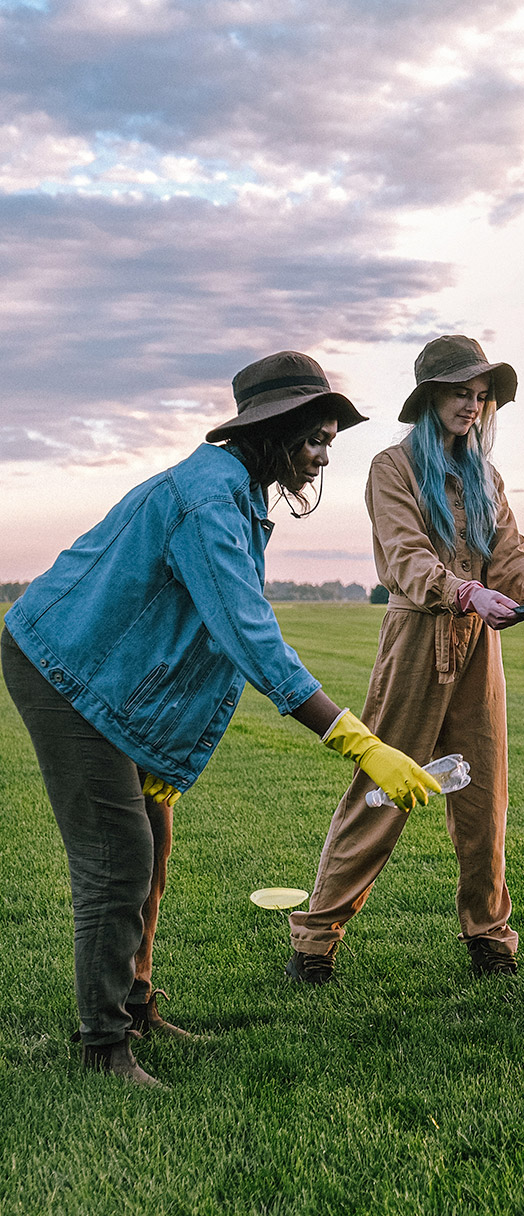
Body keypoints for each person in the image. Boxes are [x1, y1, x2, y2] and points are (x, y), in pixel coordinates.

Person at [1, 350, 439, 1086]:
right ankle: (103, 1047)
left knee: (153, 838)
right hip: (60, 665)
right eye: (314, 439)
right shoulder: (209, 501)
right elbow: (248, 637)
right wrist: (361, 744)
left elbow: (191, 642)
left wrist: (163, 755)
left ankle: (135, 1003)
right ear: (272, 430)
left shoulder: (238, 495)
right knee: (118, 859)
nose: (322, 456)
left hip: (106, 672)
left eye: (329, 441)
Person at [287, 335, 524, 982]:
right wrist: (465, 592)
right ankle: (315, 942)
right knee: (381, 791)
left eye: (481, 395)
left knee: (485, 799)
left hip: (478, 649)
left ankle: (490, 937)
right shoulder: (392, 468)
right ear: (430, 397)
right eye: (461, 393)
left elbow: (509, 555)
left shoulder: (486, 476)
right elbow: (406, 557)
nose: (473, 405)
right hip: (415, 639)